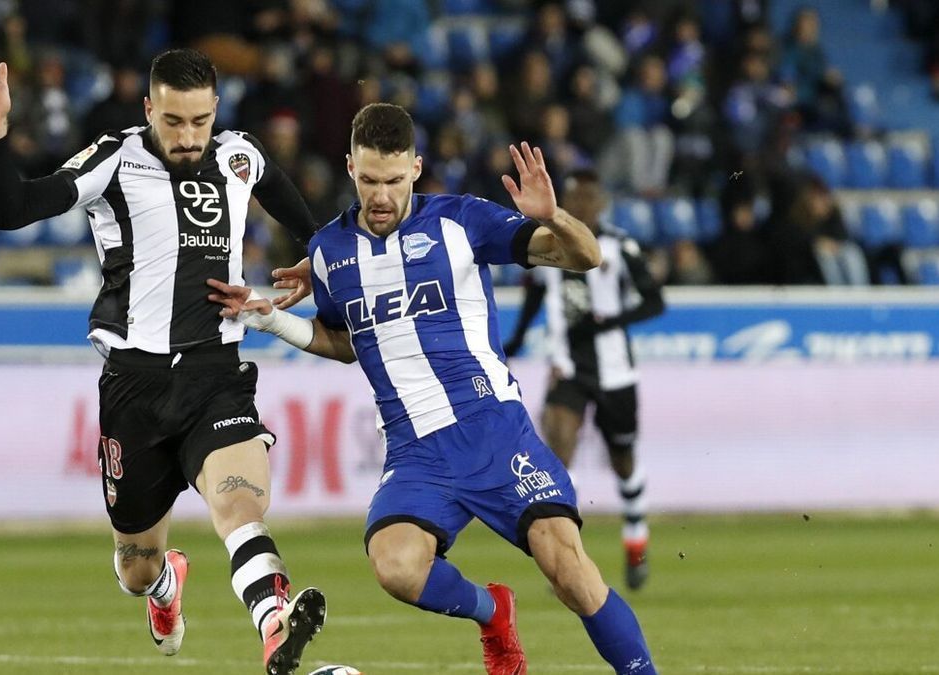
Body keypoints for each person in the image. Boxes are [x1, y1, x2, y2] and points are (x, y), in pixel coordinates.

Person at [209, 103, 656, 675]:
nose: (381, 196)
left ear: (416, 169)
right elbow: (348, 342)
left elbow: (585, 257)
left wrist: (555, 216)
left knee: (567, 568)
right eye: (369, 180)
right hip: (416, 451)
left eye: (394, 181)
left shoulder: (461, 222)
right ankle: (494, 611)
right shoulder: (327, 252)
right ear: (350, 168)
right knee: (394, 566)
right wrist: (271, 319)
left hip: (494, 432)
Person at [0, 47, 326, 675]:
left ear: (217, 112)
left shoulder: (243, 156)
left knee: (238, 504)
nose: (187, 137)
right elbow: (9, 210)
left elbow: (312, 230)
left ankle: (274, 623)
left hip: (217, 374)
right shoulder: (114, 160)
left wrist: (319, 269)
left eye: (200, 121)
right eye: (174, 121)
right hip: (135, 387)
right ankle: (162, 588)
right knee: (136, 565)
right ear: (149, 108)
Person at [502, 169, 665, 589]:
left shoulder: (619, 245)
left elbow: (655, 301)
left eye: (591, 198)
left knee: (623, 461)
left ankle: (635, 539)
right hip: (567, 369)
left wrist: (609, 322)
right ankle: (566, 558)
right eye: (576, 198)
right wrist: (516, 340)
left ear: (602, 203)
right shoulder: (546, 243)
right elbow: (534, 293)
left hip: (615, 372)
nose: (583, 205)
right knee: (558, 461)